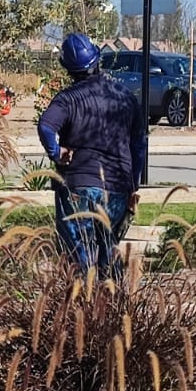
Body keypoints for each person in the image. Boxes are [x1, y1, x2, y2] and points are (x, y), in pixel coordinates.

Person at [37, 32, 147, 277]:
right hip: (117, 188)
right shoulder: (125, 98)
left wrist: (57, 153)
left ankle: (81, 307)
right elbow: (139, 145)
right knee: (109, 250)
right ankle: (114, 305)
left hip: (78, 186)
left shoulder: (68, 99)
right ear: (97, 60)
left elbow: (45, 126)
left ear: (68, 69)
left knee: (79, 255)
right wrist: (133, 185)